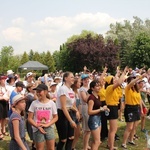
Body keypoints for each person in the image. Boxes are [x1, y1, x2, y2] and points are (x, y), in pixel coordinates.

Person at [28, 84, 58, 150]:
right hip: (37, 129)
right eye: (37, 92)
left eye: (39, 91)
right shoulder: (34, 103)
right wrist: (37, 126)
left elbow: (55, 117)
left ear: (45, 92)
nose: (38, 93)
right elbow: (29, 118)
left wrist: (48, 125)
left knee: (51, 148)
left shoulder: (51, 103)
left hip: (49, 128)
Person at [121, 73, 147, 149]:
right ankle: (123, 143)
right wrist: (140, 77)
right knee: (129, 127)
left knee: (134, 126)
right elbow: (132, 83)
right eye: (133, 80)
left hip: (136, 108)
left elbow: (139, 100)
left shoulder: (136, 90)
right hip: (130, 108)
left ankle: (131, 140)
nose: (135, 82)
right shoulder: (127, 88)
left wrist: (141, 109)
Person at [56, 72, 80, 150]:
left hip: (70, 112)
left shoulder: (70, 90)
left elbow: (71, 105)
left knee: (71, 137)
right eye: (71, 77)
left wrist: (76, 111)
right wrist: (71, 121)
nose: (73, 79)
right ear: (66, 78)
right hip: (62, 115)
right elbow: (63, 107)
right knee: (63, 139)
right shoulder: (63, 89)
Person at [105, 67, 128, 150]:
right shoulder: (109, 87)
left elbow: (119, 84)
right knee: (113, 130)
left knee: (112, 129)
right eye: (113, 79)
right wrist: (124, 72)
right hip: (112, 107)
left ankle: (109, 145)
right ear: (110, 82)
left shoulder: (114, 88)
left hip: (114, 107)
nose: (115, 80)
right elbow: (119, 82)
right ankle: (111, 147)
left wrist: (118, 73)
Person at [87, 80, 109, 150]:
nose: (99, 87)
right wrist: (101, 109)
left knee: (96, 141)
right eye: (97, 86)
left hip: (98, 118)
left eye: (99, 86)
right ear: (92, 88)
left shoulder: (98, 96)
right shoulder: (91, 98)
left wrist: (104, 108)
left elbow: (97, 107)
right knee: (97, 141)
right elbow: (89, 112)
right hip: (93, 119)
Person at [79, 74, 91, 150]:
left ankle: (86, 145)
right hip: (85, 108)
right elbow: (85, 99)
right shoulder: (82, 89)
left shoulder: (88, 88)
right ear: (82, 81)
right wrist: (90, 92)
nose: (86, 81)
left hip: (89, 107)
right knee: (87, 129)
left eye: (87, 79)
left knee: (89, 129)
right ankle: (84, 147)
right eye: (84, 79)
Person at [25, 83, 38, 150]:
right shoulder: (29, 96)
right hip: (30, 116)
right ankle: (34, 145)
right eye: (33, 87)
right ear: (29, 89)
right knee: (32, 131)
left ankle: (34, 144)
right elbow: (35, 99)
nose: (35, 87)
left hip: (34, 115)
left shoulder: (32, 95)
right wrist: (36, 91)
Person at [71, 77, 82, 150]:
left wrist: (80, 113)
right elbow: (71, 105)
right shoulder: (72, 93)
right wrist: (77, 112)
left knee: (78, 133)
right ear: (75, 84)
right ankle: (71, 147)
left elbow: (80, 104)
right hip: (73, 114)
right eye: (79, 82)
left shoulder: (78, 92)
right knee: (73, 133)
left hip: (78, 114)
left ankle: (72, 146)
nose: (80, 83)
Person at [0, 75, 9, 140]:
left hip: (5, 103)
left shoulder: (5, 87)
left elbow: (8, 94)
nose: (4, 81)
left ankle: (3, 130)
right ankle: (0, 133)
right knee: (0, 118)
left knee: (4, 117)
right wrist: (3, 98)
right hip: (0, 103)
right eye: (3, 79)